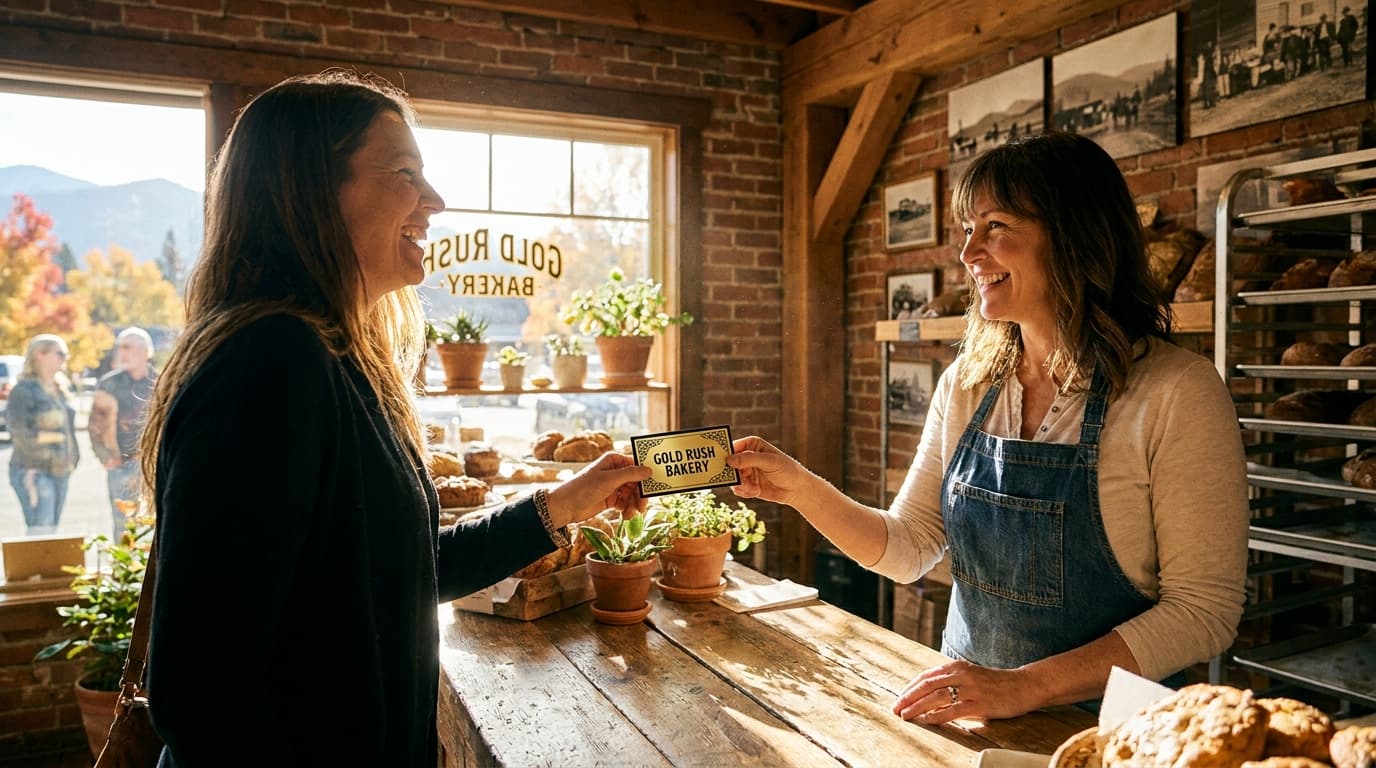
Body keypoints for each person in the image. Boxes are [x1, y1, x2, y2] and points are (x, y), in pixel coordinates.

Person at [138, 70, 651, 767]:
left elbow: (406, 571)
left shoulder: (336, 357)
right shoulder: (270, 361)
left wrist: (568, 500)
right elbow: (201, 691)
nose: (435, 201)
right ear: (312, 194)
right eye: (406, 172)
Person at [727, 132, 1248, 724]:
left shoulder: (1177, 392)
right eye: (968, 230)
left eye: (996, 226)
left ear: (1075, 234)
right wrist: (798, 488)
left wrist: (1023, 687)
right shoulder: (968, 385)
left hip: (1116, 731)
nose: (970, 253)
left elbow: (1203, 611)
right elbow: (909, 549)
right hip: (971, 715)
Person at [6, 335, 79, 536]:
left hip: (60, 470)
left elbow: (68, 430)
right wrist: (53, 457)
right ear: (40, 354)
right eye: (60, 353)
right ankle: (34, 569)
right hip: (34, 471)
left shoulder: (60, 388)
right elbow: (21, 434)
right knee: (40, 529)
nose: (65, 358)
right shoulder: (23, 390)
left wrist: (72, 458)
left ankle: (44, 569)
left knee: (52, 529)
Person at [89, 326, 157, 537]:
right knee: (123, 524)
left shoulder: (160, 380)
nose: (121, 352)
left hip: (151, 464)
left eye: (127, 347)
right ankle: (124, 569)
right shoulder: (110, 382)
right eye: (119, 347)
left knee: (154, 522)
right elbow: (95, 426)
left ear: (145, 351)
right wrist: (106, 457)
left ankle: (149, 569)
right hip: (121, 465)